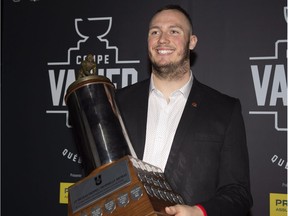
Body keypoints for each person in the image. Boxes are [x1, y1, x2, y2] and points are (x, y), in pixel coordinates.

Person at [115, 5, 253, 216]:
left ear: (192, 41)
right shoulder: (118, 102)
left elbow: (238, 193)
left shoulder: (225, 110)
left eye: (174, 31)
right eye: (155, 32)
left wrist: (198, 212)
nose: (162, 39)